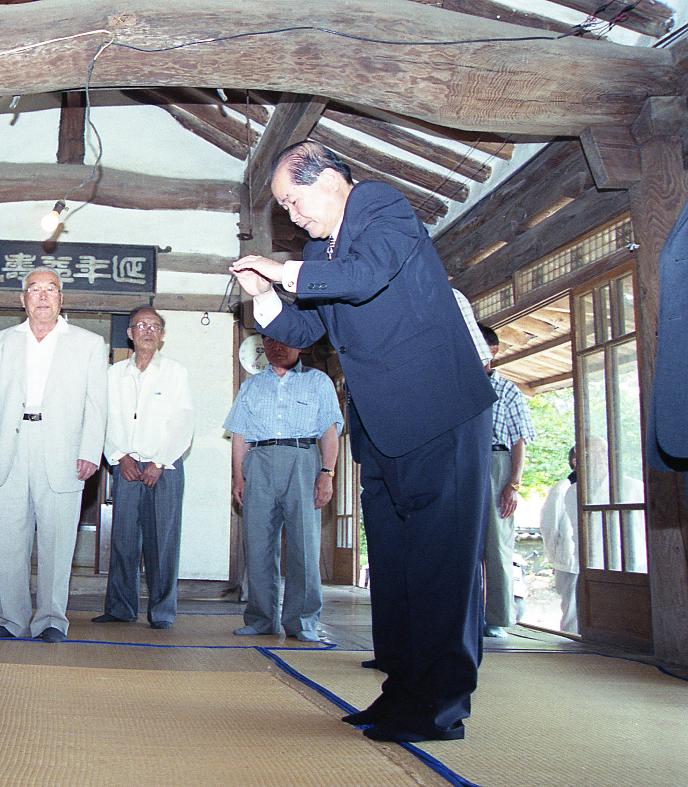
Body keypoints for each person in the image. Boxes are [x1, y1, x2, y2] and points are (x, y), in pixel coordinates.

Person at [229, 140, 496, 744]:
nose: (292, 218)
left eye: (293, 202)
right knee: (397, 569)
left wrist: (284, 269)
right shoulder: (323, 252)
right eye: (284, 209)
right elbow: (305, 326)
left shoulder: (380, 208)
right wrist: (266, 297)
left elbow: (365, 276)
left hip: (440, 414)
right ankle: (401, 690)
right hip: (383, 429)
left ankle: (440, 706)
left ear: (329, 179)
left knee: (440, 566)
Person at [0, 267, 108, 643]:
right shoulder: (1, 342)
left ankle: (50, 620)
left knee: (57, 540)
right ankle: (10, 620)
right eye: (35, 289)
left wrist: (90, 451)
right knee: (9, 538)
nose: (43, 295)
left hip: (63, 451)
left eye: (51, 289)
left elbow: (97, 406)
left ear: (62, 298)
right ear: (23, 299)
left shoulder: (89, 343)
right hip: (9, 448)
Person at [224, 335, 341, 642]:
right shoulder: (251, 385)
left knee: (304, 543)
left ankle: (302, 622)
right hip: (258, 462)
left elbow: (329, 432)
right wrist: (238, 477)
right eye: (270, 341)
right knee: (258, 543)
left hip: (302, 460)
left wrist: (327, 473)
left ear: (300, 345)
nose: (277, 347)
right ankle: (261, 618)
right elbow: (239, 435)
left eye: (285, 341)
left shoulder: (319, 382)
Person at [93, 307, 194, 630]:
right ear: (130, 333)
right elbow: (103, 419)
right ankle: (121, 608)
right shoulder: (112, 374)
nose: (148, 331)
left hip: (164, 468)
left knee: (162, 542)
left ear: (162, 335)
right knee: (123, 541)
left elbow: (184, 422)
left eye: (154, 326)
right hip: (126, 467)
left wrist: (160, 461)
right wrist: (119, 456)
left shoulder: (176, 372)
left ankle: (162, 612)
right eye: (141, 325)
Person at [479, 323, 535, 638]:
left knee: (496, 543)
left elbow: (519, 440)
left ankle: (497, 617)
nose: (485, 359)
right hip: (463, 461)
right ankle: (464, 612)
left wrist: (513, 483)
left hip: (496, 461)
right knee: (461, 542)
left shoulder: (508, 389)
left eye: (490, 354)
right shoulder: (455, 384)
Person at [539, 447, 579, 633]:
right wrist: (555, 557)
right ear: (574, 461)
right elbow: (549, 525)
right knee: (572, 613)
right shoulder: (563, 488)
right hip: (569, 557)